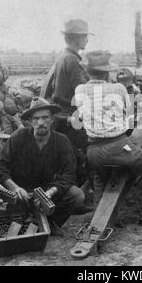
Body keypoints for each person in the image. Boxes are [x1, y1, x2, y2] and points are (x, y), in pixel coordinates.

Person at [73, 50, 142, 225]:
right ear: (107, 72)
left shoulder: (80, 89)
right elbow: (128, 111)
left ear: (87, 71)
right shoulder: (119, 88)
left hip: (92, 151)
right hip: (116, 146)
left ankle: (100, 223)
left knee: (100, 178)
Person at [0, 98, 91, 236]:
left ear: (52, 120)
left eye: (45, 118)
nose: (41, 123)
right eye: (36, 119)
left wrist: (50, 192)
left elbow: (69, 175)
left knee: (77, 195)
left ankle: (51, 224)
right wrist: (14, 188)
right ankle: (25, 223)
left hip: (47, 189)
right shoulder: (19, 137)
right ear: (30, 121)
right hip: (20, 191)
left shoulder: (62, 141)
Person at [50, 19, 93, 185]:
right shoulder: (73, 61)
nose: (87, 40)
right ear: (76, 38)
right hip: (71, 114)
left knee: (70, 155)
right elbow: (82, 90)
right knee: (80, 154)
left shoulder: (63, 57)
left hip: (62, 113)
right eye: (85, 37)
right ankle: (79, 194)